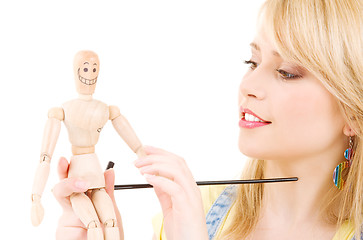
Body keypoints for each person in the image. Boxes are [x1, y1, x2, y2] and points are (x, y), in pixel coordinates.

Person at [53, 0, 363, 239]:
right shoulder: (189, 209)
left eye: (286, 73)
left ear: (352, 111)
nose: (248, 86)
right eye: (252, 62)